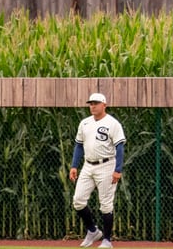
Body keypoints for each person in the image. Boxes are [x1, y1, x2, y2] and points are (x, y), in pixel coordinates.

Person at [70, 92, 127, 249]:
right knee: (78, 200)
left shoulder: (112, 123)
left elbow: (119, 147)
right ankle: (93, 231)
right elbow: (79, 145)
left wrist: (118, 169)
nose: (93, 106)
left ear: (104, 105)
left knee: (106, 205)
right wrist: (74, 165)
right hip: (88, 165)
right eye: (91, 103)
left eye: (96, 103)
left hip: (107, 165)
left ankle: (107, 240)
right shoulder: (85, 123)